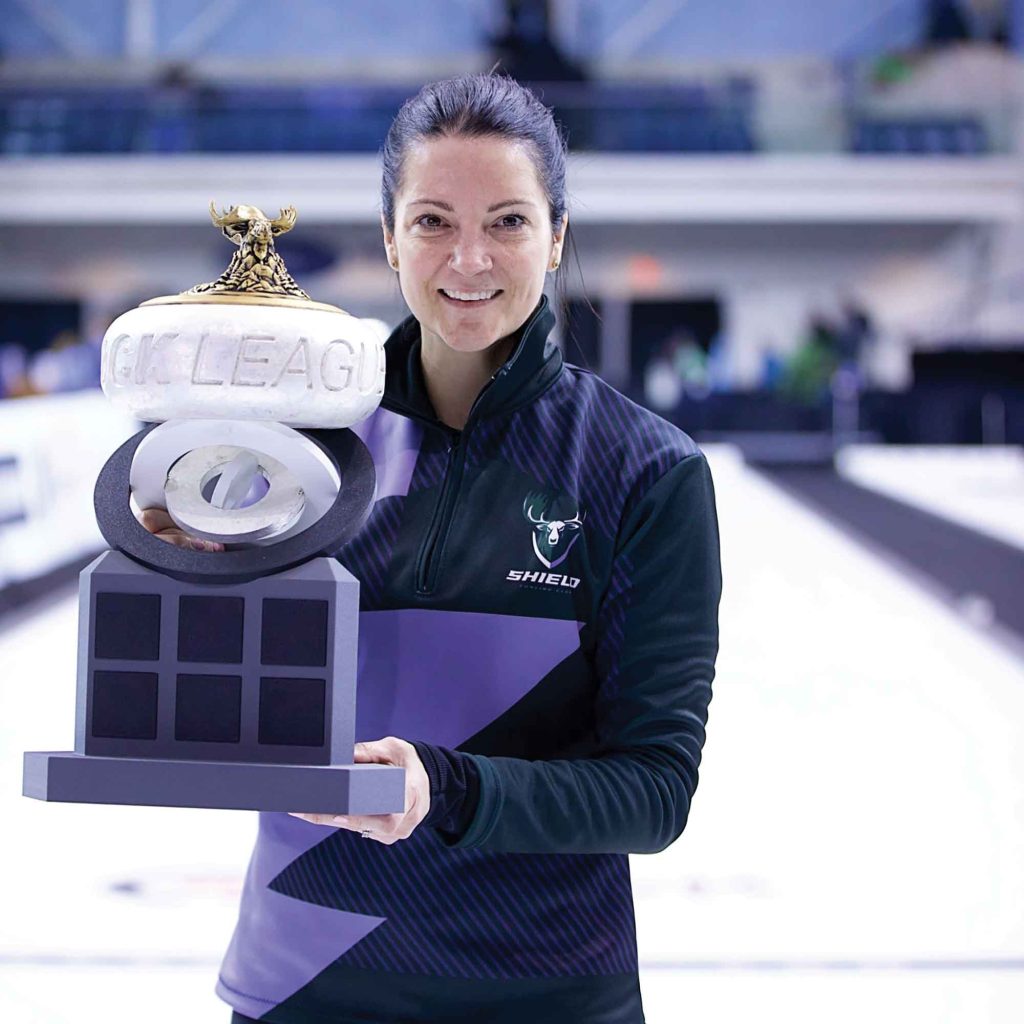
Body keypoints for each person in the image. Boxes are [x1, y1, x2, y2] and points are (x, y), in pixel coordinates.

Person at [142, 72, 722, 1024]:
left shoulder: (644, 471)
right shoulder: (297, 445)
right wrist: (178, 574)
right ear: (388, 236)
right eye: (431, 222)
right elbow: (225, 688)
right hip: (301, 981)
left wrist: (442, 788)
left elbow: (654, 791)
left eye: (506, 221)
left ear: (557, 234)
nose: (468, 259)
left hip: (543, 991)